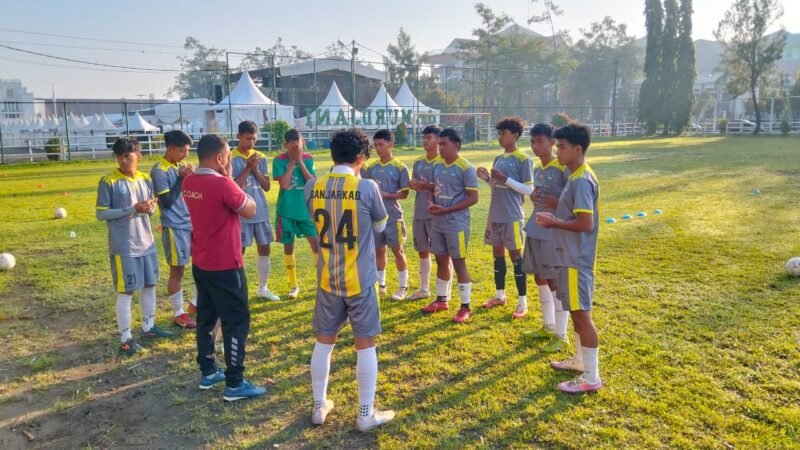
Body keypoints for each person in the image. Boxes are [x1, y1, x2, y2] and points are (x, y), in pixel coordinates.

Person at [304, 128, 395, 431]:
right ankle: (365, 414)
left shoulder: (313, 186)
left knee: (324, 341)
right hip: (360, 279)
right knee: (365, 344)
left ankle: (319, 407)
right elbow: (381, 225)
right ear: (361, 157)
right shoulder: (367, 187)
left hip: (328, 277)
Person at [182, 134, 268, 401]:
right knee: (235, 322)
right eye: (228, 155)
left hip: (202, 262)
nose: (230, 160)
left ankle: (208, 372)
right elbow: (250, 209)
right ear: (219, 158)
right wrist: (229, 178)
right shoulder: (222, 184)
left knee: (207, 317)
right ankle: (234, 383)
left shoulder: (189, 180)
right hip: (226, 265)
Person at [535, 123, 602, 393]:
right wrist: (556, 216)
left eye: (561, 147)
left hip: (577, 259)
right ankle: (578, 361)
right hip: (569, 256)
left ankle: (591, 376)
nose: (557, 151)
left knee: (582, 316)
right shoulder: (574, 176)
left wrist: (554, 223)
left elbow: (586, 224)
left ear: (577, 149)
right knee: (576, 312)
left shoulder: (582, 179)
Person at [96, 137, 172, 355]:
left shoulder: (145, 179)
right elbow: (101, 213)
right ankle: (126, 338)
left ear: (138, 156)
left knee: (150, 284)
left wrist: (150, 208)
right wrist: (132, 209)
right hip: (124, 246)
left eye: (128, 156)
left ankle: (149, 326)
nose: (123, 160)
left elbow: (150, 209)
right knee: (127, 290)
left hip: (146, 243)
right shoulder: (108, 182)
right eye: (120, 156)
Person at [477, 116, 534, 318]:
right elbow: (497, 185)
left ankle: (522, 302)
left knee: (516, 258)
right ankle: (500, 296)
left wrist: (506, 179)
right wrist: (487, 179)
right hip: (495, 215)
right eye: (499, 133)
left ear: (515, 135)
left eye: (503, 134)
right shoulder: (499, 158)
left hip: (512, 216)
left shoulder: (524, 159)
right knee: (497, 256)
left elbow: (528, 189)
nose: (500, 137)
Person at [420, 128, 479, 323]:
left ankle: (465, 306)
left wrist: (446, 210)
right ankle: (441, 300)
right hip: (438, 223)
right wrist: (429, 200)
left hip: (457, 224)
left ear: (457, 145)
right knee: (441, 261)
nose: (440, 147)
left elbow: (473, 198)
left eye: (444, 144)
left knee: (459, 263)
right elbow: (433, 188)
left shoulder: (466, 168)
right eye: (440, 144)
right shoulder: (437, 165)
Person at [521, 123, 571, 352]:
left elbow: (575, 203)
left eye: (540, 141)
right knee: (539, 277)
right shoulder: (538, 169)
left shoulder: (563, 169)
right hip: (535, 228)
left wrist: (556, 204)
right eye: (532, 141)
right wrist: (534, 196)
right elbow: (540, 196)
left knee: (555, 280)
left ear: (552, 143)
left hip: (554, 232)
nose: (535, 146)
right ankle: (548, 325)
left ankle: (562, 335)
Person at [150, 130, 197, 328]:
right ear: (170, 148)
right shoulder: (159, 170)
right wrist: (181, 179)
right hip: (174, 226)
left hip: (191, 224)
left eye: (187, 150)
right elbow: (167, 202)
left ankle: (196, 304)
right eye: (182, 151)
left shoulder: (179, 166)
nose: (186, 155)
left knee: (202, 265)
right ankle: (179, 314)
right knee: (177, 270)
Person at [231, 120, 278, 301]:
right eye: (248, 139)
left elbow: (266, 186)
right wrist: (248, 167)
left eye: (254, 139)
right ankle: (237, 290)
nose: (251, 143)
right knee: (238, 251)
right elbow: (233, 187)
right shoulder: (231, 158)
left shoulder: (261, 156)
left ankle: (263, 288)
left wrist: (256, 168)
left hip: (261, 210)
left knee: (264, 248)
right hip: (241, 212)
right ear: (238, 137)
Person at [363, 129, 410, 300]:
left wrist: (387, 195)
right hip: (375, 217)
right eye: (375, 145)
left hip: (393, 216)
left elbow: (405, 194)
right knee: (378, 250)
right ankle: (380, 285)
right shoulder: (372, 168)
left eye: (381, 144)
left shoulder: (400, 167)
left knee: (398, 250)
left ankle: (403, 287)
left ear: (391, 145)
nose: (378, 148)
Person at [272, 128, 319, 299]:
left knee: (316, 244)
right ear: (285, 145)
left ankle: (321, 283)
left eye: (298, 142)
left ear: (302, 142)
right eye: (291, 143)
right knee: (288, 246)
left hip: (306, 211)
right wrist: (291, 163)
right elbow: (284, 185)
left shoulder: (308, 159)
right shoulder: (279, 160)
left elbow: (312, 182)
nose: (295, 146)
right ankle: (293, 285)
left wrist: (300, 161)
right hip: (287, 211)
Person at [407, 125, 452, 301]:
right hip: (420, 211)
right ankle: (424, 288)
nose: (425, 141)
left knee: (443, 253)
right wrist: (414, 185)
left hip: (437, 214)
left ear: (439, 140)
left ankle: (445, 292)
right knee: (422, 251)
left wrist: (425, 186)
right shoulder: (418, 162)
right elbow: (415, 184)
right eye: (423, 138)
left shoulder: (443, 163)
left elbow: (445, 187)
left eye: (429, 138)